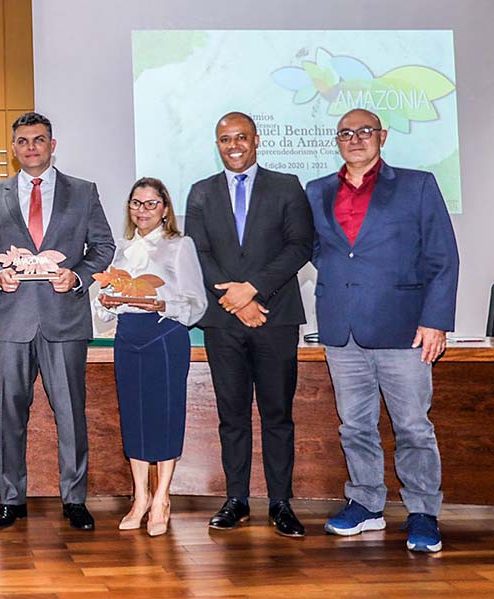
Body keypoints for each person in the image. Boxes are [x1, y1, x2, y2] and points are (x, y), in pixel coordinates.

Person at [306, 108, 459, 553]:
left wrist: (435, 321)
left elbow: (442, 257)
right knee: (354, 425)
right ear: (337, 141)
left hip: (404, 330)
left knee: (413, 426)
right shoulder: (317, 191)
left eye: (365, 131)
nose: (356, 139)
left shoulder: (417, 185)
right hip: (342, 329)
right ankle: (366, 504)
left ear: (383, 136)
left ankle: (423, 512)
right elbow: (322, 252)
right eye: (346, 133)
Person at [0, 112, 115, 530]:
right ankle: (11, 500)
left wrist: (78, 276)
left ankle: (74, 500)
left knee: (71, 412)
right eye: (22, 141)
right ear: (13, 148)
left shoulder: (83, 191)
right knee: (11, 413)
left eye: (39, 139)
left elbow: (102, 246)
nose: (31, 147)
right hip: (12, 321)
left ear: (53, 145)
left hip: (64, 319)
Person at [184, 111, 313, 537]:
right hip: (223, 322)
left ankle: (280, 502)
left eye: (241, 137)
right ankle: (236, 499)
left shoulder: (286, 186)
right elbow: (198, 254)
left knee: (277, 414)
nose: (233, 145)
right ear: (216, 143)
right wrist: (235, 302)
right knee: (232, 415)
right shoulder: (201, 192)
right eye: (224, 139)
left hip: (275, 318)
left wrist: (253, 290)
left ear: (256, 140)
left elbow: (300, 246)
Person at [93, 177, 207, 537]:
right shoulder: (122, 250)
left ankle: (162, 498)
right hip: (129, 336)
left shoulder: (179, 245)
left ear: (165, 209)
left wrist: (161, 303)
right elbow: (107, 306)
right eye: (136, 203)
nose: (143, 211)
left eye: (151, 204)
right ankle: (140, 496)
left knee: (165, 415)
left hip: (165, 336)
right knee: (135, 417)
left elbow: (196, 305)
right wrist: (105, 302)